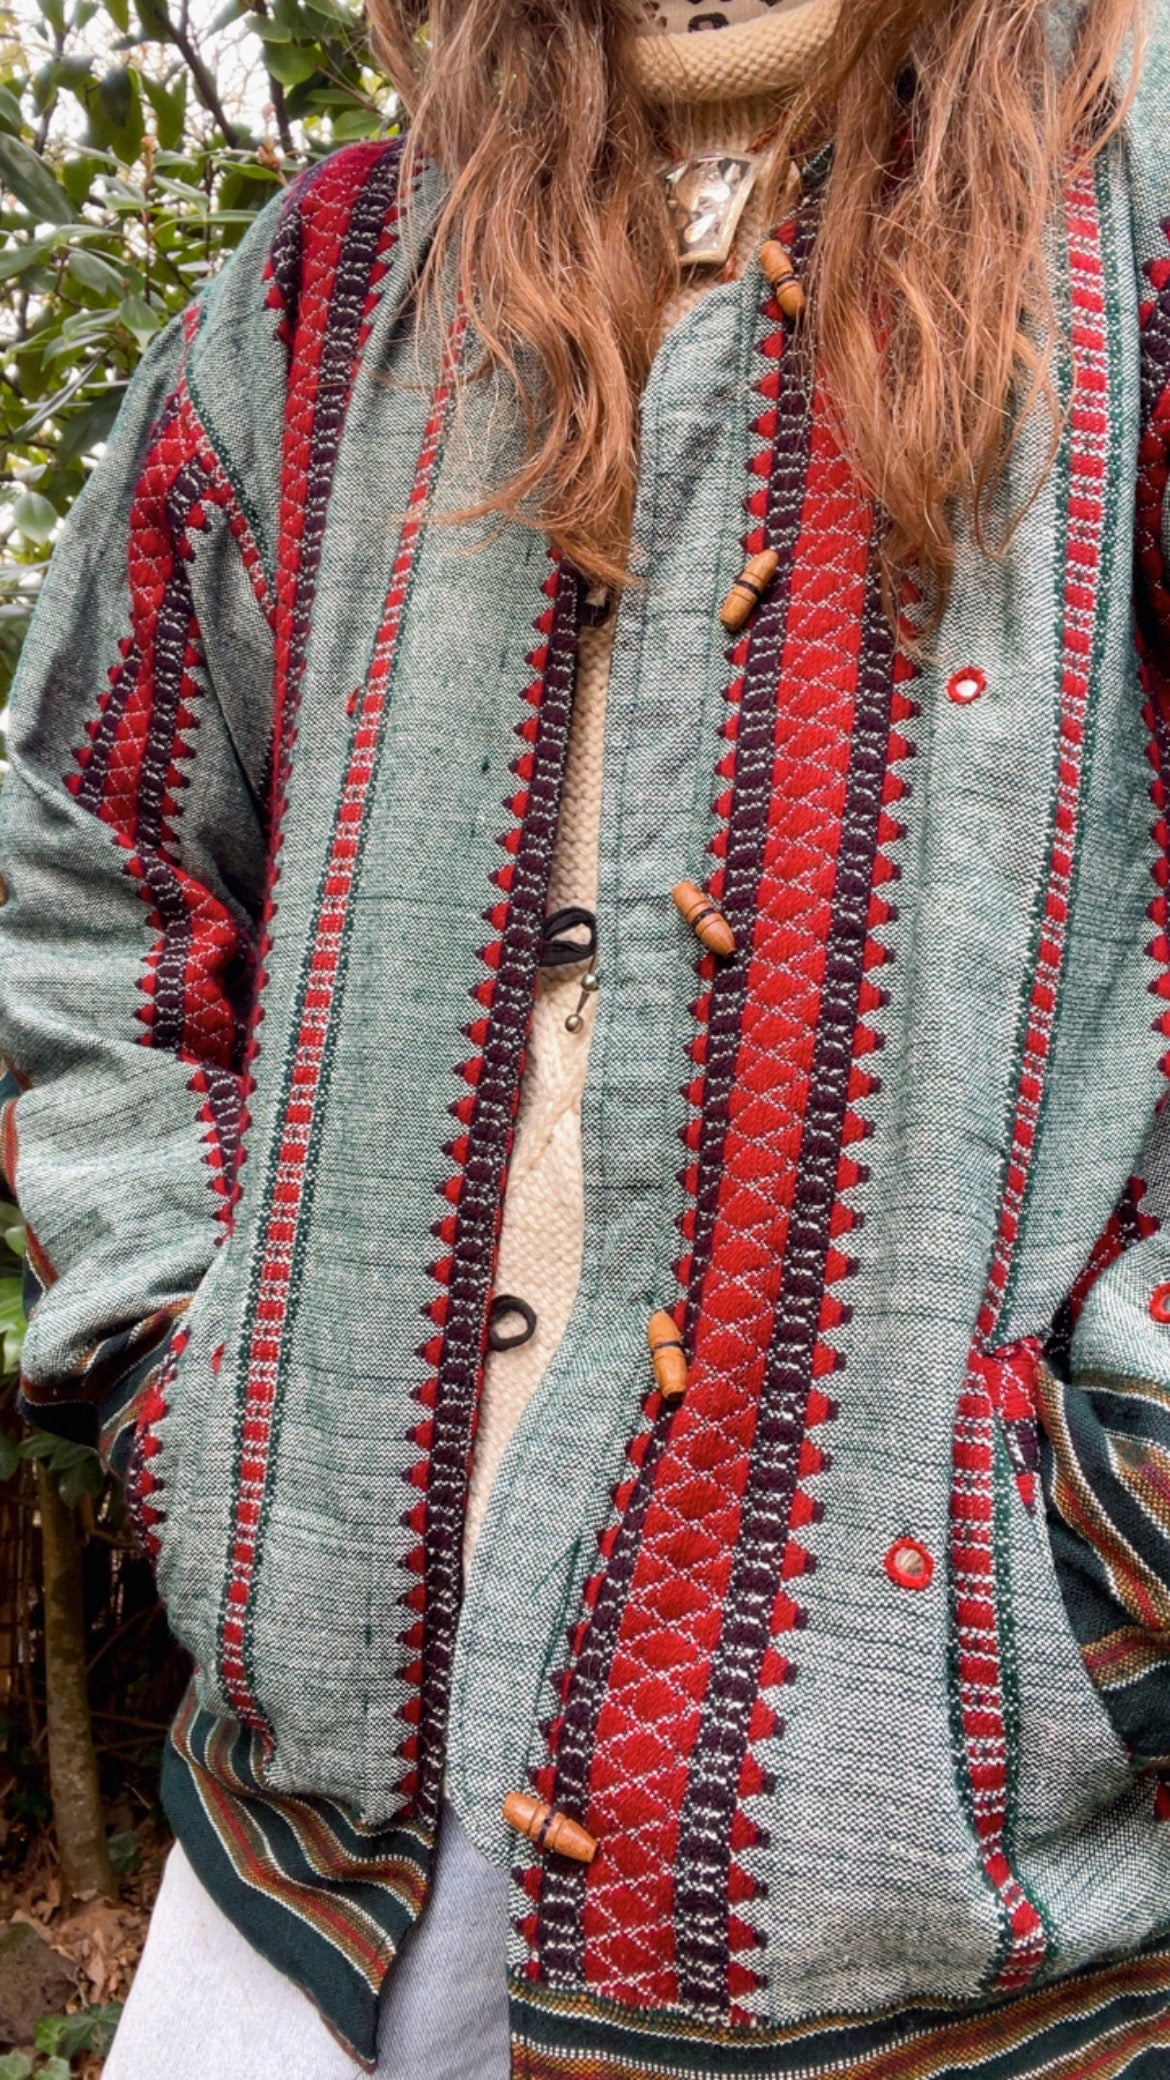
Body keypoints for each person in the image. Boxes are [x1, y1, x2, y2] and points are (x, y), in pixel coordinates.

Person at [2, 0, 1170, 2071]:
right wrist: (197, 1380)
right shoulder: (340, 281)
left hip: (933, 1867)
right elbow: (87, 847)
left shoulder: (1134, 211)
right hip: (311, 1846)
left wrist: (1103, 1542)